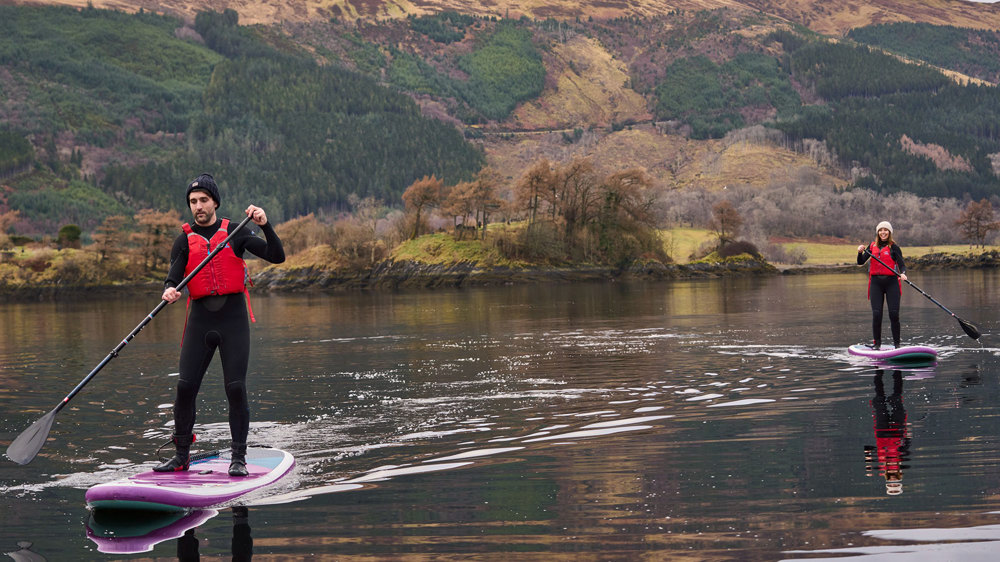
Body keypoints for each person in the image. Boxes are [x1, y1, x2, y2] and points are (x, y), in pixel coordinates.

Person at [155, 173, 285, 476]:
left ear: (214, 202)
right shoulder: (184, 240)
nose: (198, 206)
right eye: (192, 202)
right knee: (184, 388)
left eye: (203, 200)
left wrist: (265, 224)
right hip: (200, 319)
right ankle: (181, 456)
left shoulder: (236, 233)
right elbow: (173, 277)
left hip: (233, 318)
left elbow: (277, 256)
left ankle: (238, 458)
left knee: (236, 388)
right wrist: (169, 289)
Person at [857, 221, 907, 350]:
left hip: (892, 283)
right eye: (880, 230)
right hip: (876, 284)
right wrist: (860, 252)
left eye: (886, 230)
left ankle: (897, 345)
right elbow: (860, 262)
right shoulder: (872, 246)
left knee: (894, 314)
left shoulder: (894, 247)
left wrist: (903, 273)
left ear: (889, 232)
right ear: (878, 232)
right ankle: (877, 344)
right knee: (877, 314)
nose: (883, 232)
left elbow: (901, 264)